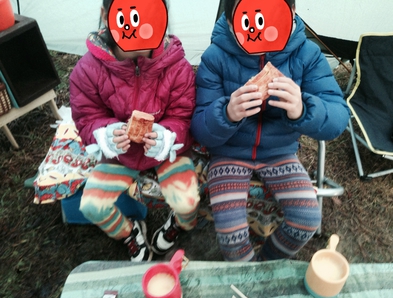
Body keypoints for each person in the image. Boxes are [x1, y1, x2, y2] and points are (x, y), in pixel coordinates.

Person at [191, 0, 350, 262]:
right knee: (231, 233)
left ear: (293, 13)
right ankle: (245, 271)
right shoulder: (215, 58)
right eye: (246, 21)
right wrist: (227, 113)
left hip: (280, 152)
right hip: (229, 152)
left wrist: (302, 108)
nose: (259, 29)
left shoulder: (306, 55)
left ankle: (266, 266)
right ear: (231, 22)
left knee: (306, 220)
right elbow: (201, 130)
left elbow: (337, 118)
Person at [69, 0, 200, 262]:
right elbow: (86, 118)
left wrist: (169, 136)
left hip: (166, 154)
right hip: (121, 156)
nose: (139, 27)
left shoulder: (176, 66)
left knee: (188, 202)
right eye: (129, 15)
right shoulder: (88, 69)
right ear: (106, 15)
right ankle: (129, 233)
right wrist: (103, 134)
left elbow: (184, 116)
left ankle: (178, 224)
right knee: (92, 206)